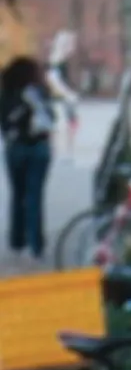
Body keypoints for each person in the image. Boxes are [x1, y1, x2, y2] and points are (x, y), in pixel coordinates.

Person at [0, 56, 55, 268]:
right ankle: (36, 246)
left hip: (15, 148)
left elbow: (4, 123)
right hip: (39, 148)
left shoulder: (7, 94)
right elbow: (51, 118)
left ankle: (17, 242)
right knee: (35, 197)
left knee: (17, 195)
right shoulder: (40, 92)